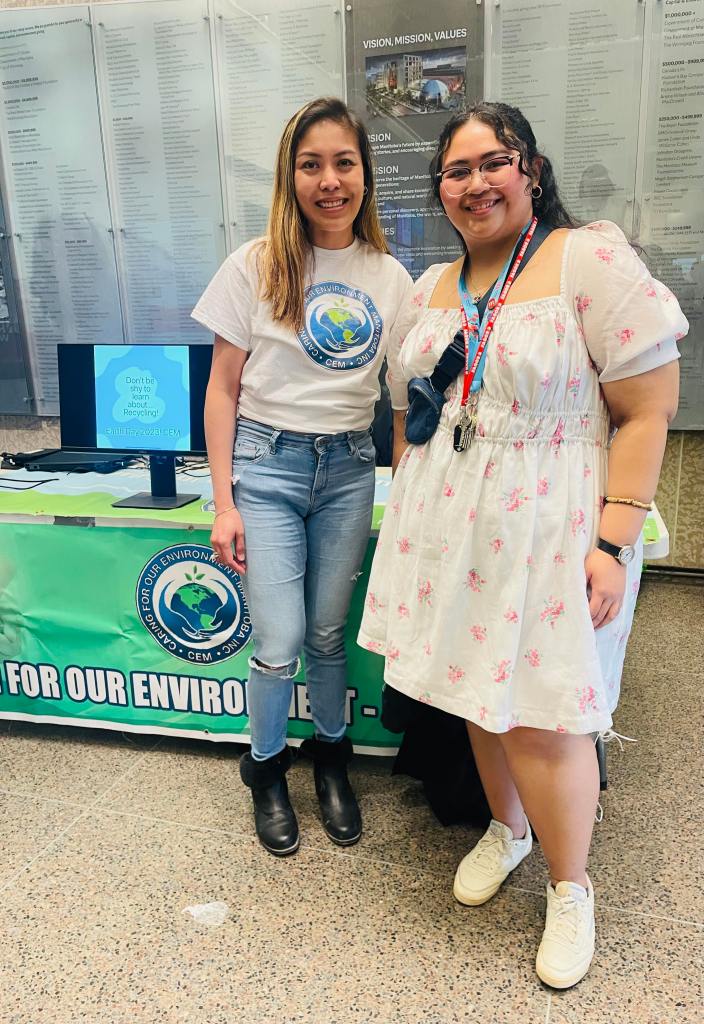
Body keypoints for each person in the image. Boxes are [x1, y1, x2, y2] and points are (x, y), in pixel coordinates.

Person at [358, 102, 686, 988]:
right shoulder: (431, 286)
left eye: (493, 162)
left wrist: (614, 541)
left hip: (555, 527)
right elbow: (412, 410)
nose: (475, 183)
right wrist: (414, 515)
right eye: (456, 171)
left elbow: (648, 409)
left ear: (531, 171)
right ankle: (507, 832)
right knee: (477, 692)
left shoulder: (587, 260)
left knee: (547, 712)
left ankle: (571, 887)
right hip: (451, 529)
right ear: (440, 188)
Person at [192, 97, 413, 857]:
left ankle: (331, 759)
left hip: (349, 467)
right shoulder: (254, 264)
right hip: (267, 465)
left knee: (325, 633)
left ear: (365, 174)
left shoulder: (390, 276)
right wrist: (223, 502)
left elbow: (399, 400)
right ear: (290, 175)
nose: (329, 181)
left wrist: (403, 490)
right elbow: (222, 389)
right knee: (280, 638)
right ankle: (265, 765)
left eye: (344, 163)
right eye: (311, 164)